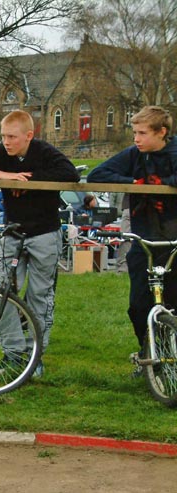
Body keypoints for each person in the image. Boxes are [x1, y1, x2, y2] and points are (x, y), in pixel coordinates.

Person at [0, 110, 80, 378]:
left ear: (28, 135)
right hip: (12, 233)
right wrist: (2, 175)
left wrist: (30, 179)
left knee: (40, 297)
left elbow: (70, 173)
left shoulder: (44, 152)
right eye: (3, 136)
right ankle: (13, 353)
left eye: (12, 137)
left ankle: (35, 357)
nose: (7, 142)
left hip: (44, 234)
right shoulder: (0, 153)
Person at [87, 105, 177, 374]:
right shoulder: (134, 154)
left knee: (172, 303)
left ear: (162, 132)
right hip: (144, 239)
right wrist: (135, 182)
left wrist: (164, 182)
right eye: (134, 132)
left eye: (142, 133)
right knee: (138, 305)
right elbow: (97, 174)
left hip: (173, 239)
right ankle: (148, 353)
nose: (136, 138)